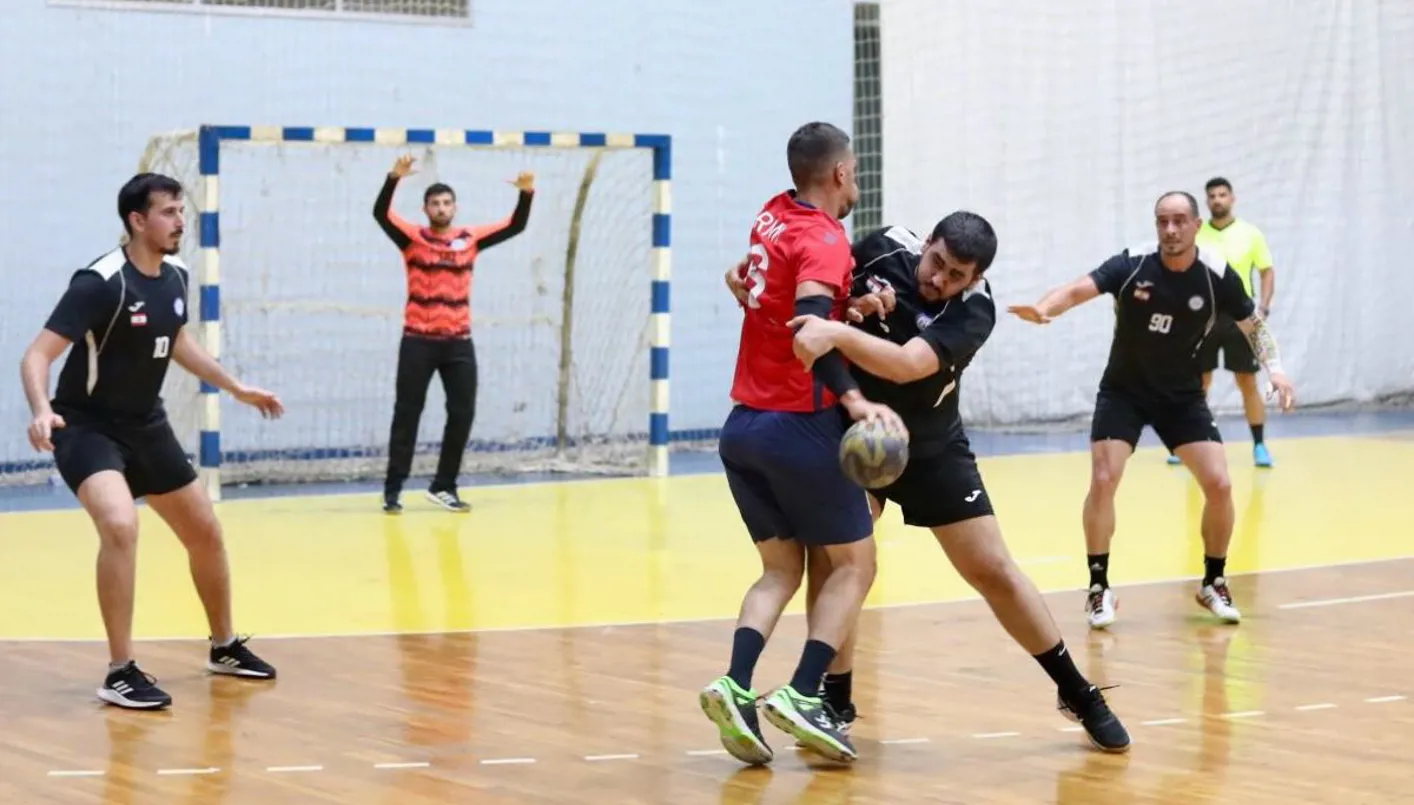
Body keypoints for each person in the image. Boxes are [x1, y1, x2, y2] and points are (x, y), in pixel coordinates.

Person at [779, 214, 1132, 753]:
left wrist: (839, 331)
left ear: (975, 278)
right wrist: (764, 276)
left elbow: (905, 365)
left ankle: (1077, 692)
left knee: (993, 570)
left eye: (955, 275)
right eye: (936, 262)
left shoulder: (975, 310)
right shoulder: (881, 247)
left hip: (930, 449)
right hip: (860, 437)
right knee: (837, 565)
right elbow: (817, 282)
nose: (938, 278)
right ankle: (834, 700)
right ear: (926, 243)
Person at [20, 173, 283, 710]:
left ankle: (224, 646)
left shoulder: (176, 275)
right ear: (137, 221)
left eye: (181, 211)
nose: (180, 221)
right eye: (168, 212)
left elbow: (177, 339)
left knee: (205, 531)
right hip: (87, 428)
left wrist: (234, 386)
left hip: (147, 424)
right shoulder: (100, 283)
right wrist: (42, 410)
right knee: (121, 525)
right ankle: (120, 671)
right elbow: (36, 355)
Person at [698, 121, 901, 766]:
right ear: (839, 173)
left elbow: (788, 297)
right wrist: (855, 399)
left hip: (743, 428)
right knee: (855, 565)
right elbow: (808, 326)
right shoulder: (824, 237)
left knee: (781, 570)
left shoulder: (773, 215)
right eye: (855, 170)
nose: (856, 181)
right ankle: (805, 693)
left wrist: (855, 307)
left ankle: (736, 685)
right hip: (799, 424)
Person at [1007, 191, 1296, 630]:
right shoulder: (1133, 264)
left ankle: (1213, 581)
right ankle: (1098, 588)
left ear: (1197, 225)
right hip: (1123, 392)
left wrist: (1276, 370)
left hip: (1181, 396)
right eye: (1162, 221)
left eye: (1179, 221)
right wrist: (1045, 309)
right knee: (1104, 479)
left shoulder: (1216, 274)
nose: (1170, 230)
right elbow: (1076, 289)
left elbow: (1252, 325)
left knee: (1220, 484)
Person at [373, 154, 535, 513]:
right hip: (417, 341)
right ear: (425, 209)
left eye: (447, 203)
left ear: (455, 207)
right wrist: (393, 178)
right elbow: (381, 214)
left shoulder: (470, 239)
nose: (441, 208)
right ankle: (393, 490)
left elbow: (515, 226)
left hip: (459, 343)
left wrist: (526, 194)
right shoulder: (412, 238)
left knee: (462, 413)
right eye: (435, 203)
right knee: (407, 413)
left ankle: (444, 486)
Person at [1164, 177, 1278, 467]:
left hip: (1239, 317)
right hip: (1202, 316)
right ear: (1207, 202)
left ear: (1232, 198)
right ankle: (1187, 444)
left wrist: (1263, 308)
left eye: (1222, 195)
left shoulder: (1250, 233)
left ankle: (1259, 445)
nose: (1217, 200)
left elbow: (1266, 270)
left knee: (1247, 381)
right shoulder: (1196, 233)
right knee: (1198, 382)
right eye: (1212, 196)